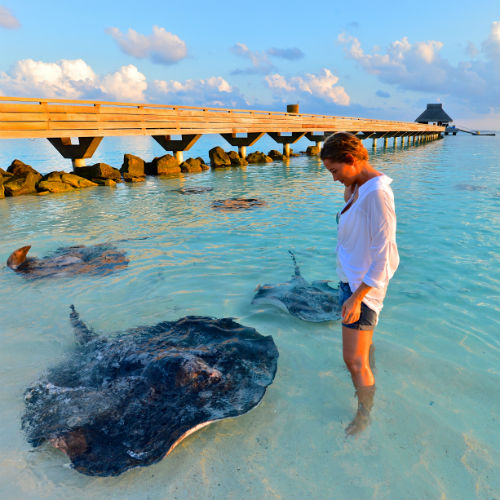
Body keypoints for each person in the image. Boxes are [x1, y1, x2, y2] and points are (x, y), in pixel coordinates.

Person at [320, 132, 399, 436]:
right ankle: (370, 377)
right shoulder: (360, 186)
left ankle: (364, 415)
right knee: (361, 355)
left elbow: (386, 256)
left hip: (361, 289)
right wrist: (350, 184)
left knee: (352, 360)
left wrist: (357, 298)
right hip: (350, 282)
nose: (334, 179)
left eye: (335, 171)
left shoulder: (377, 193)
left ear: (351, 160)